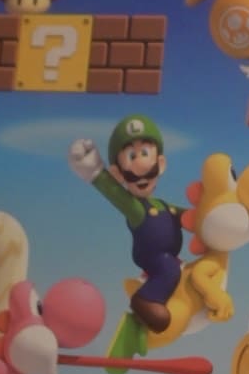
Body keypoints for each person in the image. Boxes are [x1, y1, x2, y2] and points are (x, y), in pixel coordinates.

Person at [68, 114, 182, 333]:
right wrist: (94, 171)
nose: (140, 164)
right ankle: (146, 300)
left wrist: (204, 217)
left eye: (145, 153)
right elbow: (116, 195)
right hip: (155, 259)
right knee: (170, 269)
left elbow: (185, 216)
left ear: (160, 164)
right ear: (118, 174)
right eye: (131, 156)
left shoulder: (163, 205)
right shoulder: (137, 210)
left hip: (171, 256)